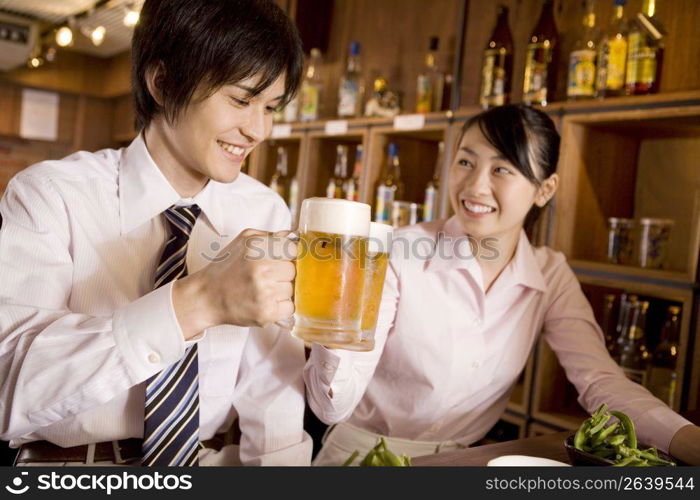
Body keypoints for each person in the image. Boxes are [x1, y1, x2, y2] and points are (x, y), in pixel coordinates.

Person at [0, 0, 311, 466]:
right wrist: (199, 302)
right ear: (162, 82)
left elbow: (271, 390)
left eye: (270, 107)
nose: (257, 130)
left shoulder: (262, 208)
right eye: (241, 100)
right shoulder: (50, 195)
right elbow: (10, 388)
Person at [304, 104, 700, 466]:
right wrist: (329, 321)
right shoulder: (396, 253)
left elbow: (600, 380)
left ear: (545, 189)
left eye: (502, 168)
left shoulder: (549, 274)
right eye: (465, 162)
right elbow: (331, 405)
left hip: (465, 466)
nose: (475, 187)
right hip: (357, 461)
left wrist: (686, 440)